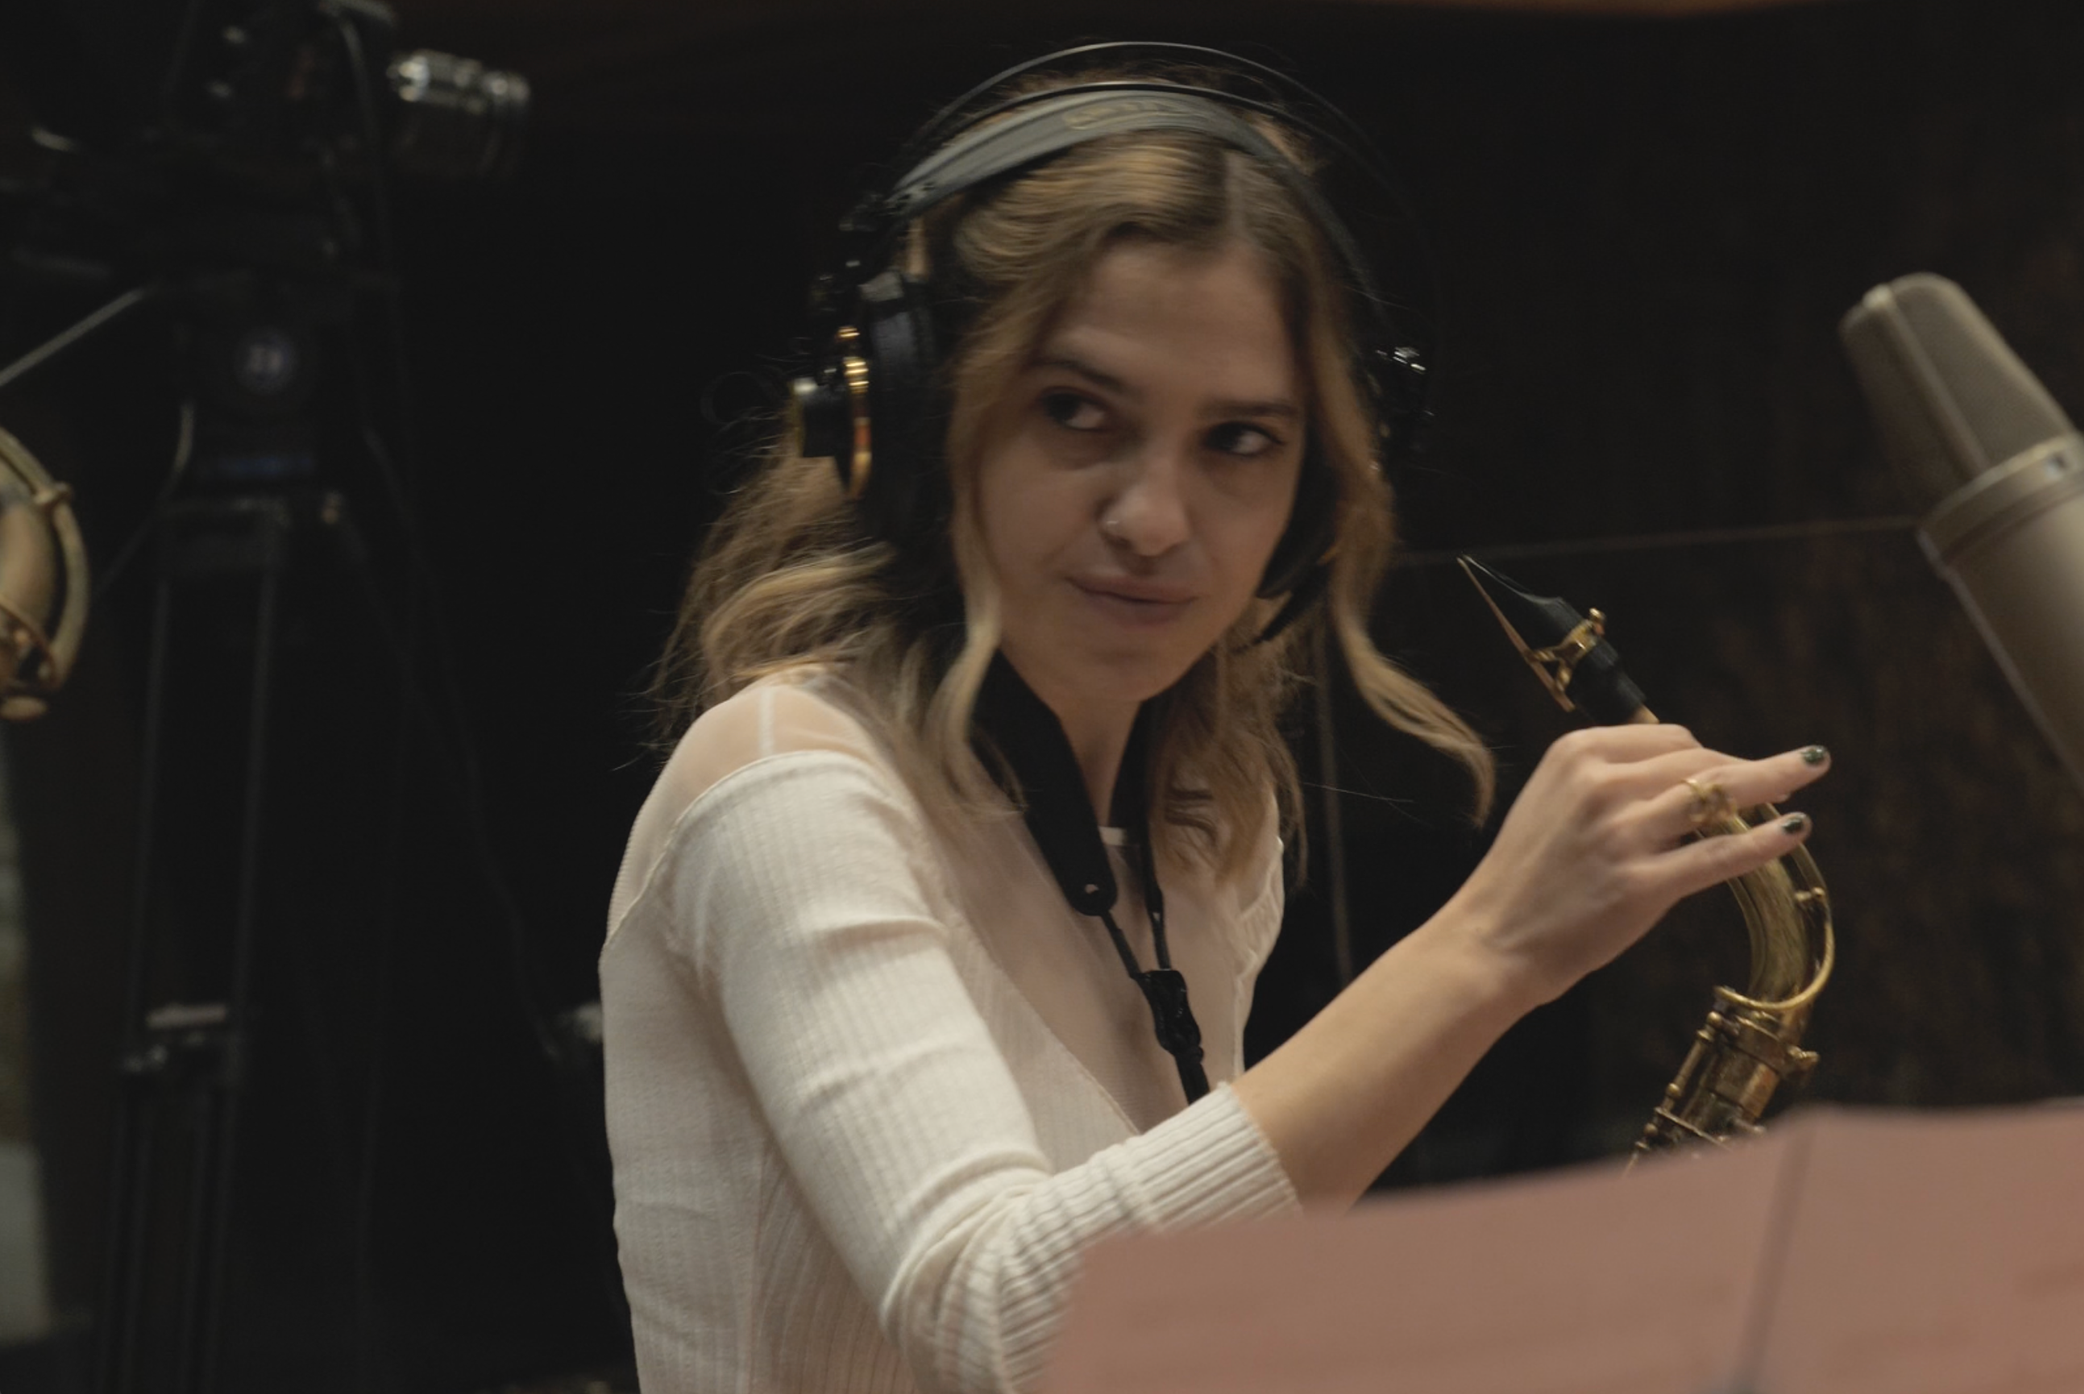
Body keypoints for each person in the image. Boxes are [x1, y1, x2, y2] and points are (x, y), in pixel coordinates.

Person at [600, 51, 1830, 1394]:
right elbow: (1008, 1332)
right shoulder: (788, 788)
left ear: (1314, 495)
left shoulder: (1197, 824)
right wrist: (1492, 945)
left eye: (1238, 440)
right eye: (1077, 413)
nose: (1154, 519)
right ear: (911, 422)